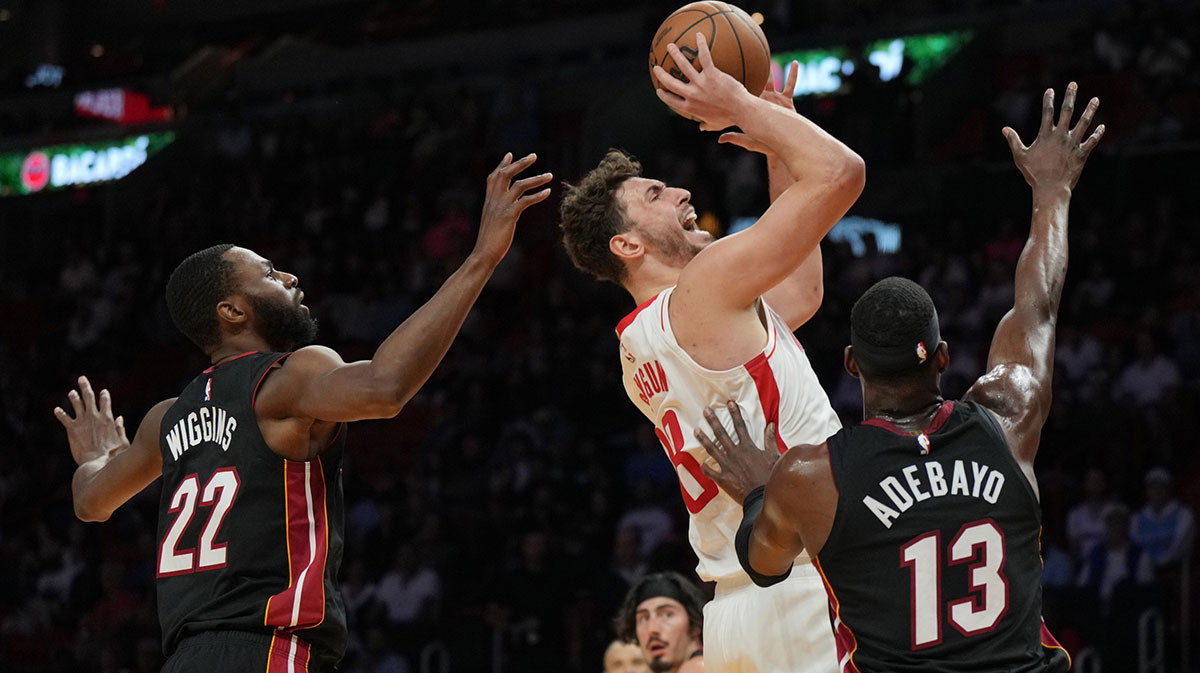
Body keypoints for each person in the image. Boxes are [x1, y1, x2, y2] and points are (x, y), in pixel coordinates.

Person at [53, 152, 553, 673]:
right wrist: (481, 259)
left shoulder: (166, 419)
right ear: (232, 311)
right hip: (269, 650)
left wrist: (96, 455)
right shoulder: (286, 379)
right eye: (269, 273)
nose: (290, 276)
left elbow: (92, 502)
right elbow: (386, 387)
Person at [698, 83, 1104, 672]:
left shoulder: (811, 475)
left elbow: (765, 565)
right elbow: (1036, 305)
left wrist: (764, 491)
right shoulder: (1008, 415)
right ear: (941, 358)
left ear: (852, 364)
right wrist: (1052, 191)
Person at [559, 34, 864, 673]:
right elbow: (842, 173)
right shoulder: (704, 290)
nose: (678, 193)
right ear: (628, 247)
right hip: (801, 585)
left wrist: (780, 141)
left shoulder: (641, 344)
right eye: (653, 196)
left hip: (736, 609)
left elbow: (802, 292)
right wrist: (753, 111)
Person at [615, 572, 705, 673]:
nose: (652, 629)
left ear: (696, 624)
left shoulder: (699, 667)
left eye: (667, 615)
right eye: (644, 618)